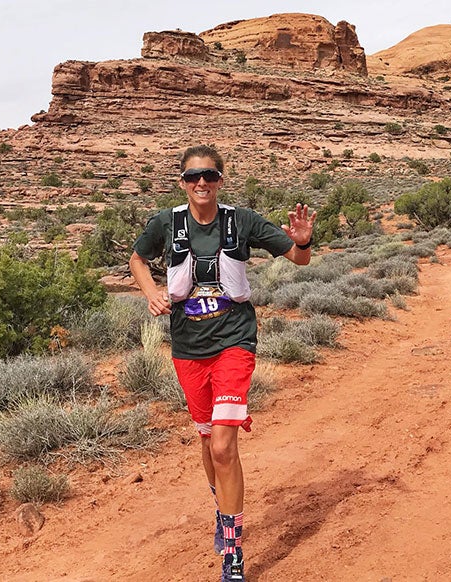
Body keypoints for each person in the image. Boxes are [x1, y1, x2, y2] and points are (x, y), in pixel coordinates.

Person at [129, 145, 315, 582]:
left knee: (223, 446)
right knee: (207, 437)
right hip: (189, 349)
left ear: (220, 180)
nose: (201, 184)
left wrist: (304, 240)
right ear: (182, 181)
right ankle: (222, 506)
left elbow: (300, 257)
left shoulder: (242, 221)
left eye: (210, 176)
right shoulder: (165, 223)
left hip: (235, 342)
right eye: (193, 177)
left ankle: (232, 554)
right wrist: (150, 291)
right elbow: (137, 259)